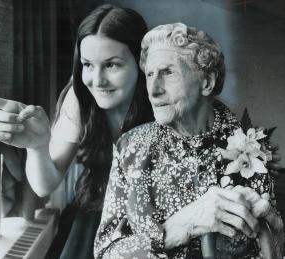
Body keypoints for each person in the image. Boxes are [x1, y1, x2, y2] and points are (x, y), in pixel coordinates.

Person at [0, 4, 153, 259]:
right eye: (87, 64)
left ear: (140, 61)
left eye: (112, 65)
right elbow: (45, 185)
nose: (96, 80)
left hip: (156, 220)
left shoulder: (164, 95)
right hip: (96, 217)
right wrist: (37, 145)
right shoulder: (80, 96)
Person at [94, 23, 284, 258]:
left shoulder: (251, 149)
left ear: (207, 82)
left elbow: (268, 246)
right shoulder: (131, 148)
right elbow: (106, 254)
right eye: (150, 74)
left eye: (168, 72)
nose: (153, 90)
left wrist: (276, 233)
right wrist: (181, 225)